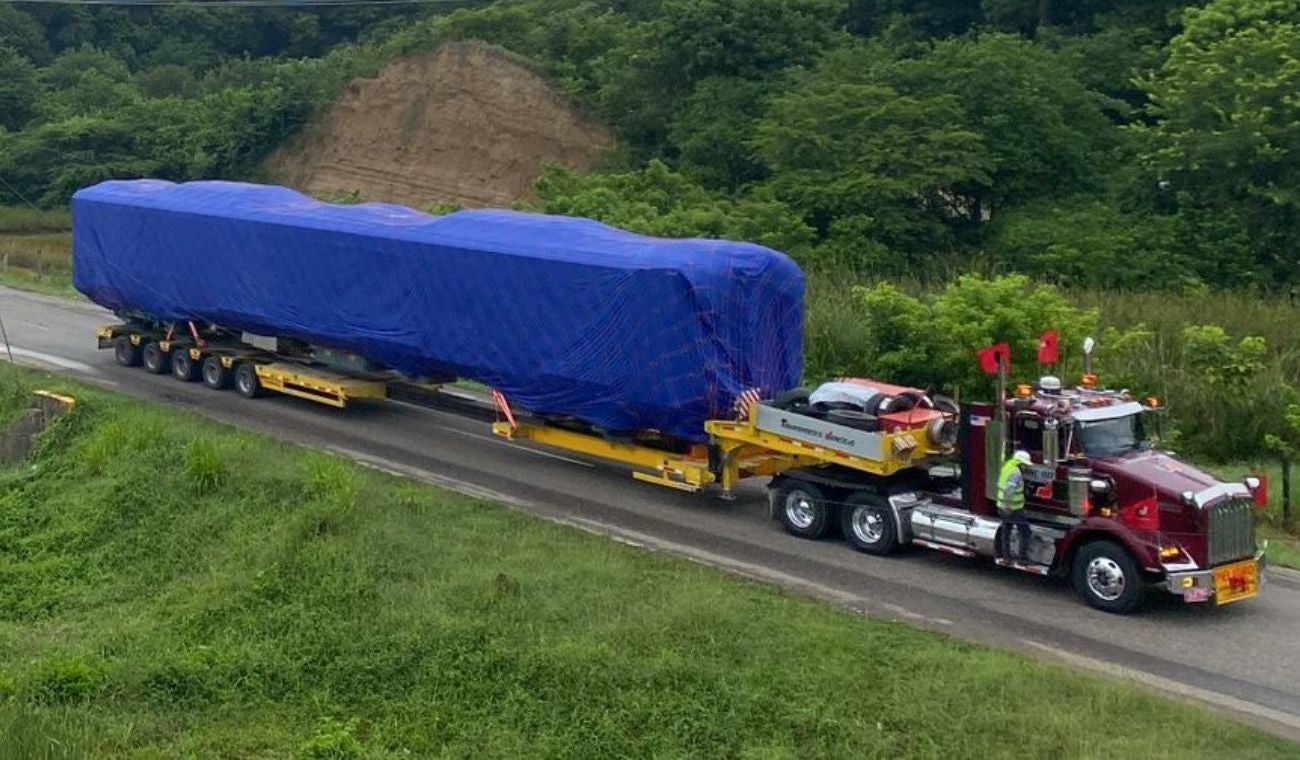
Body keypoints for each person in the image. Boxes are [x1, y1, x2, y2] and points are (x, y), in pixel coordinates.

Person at [996, 449, 1033, 562]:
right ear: (1020, 463)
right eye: (1025, 465)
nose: (1027, 467)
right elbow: (1009, 490)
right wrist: (1008, 506)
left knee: (1006, 531)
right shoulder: (1016, 473)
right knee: (1025, 531)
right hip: (1013, 508)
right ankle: (1022, 558)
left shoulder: (1007, 467)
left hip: (1001, 505)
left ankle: (1006, 557)